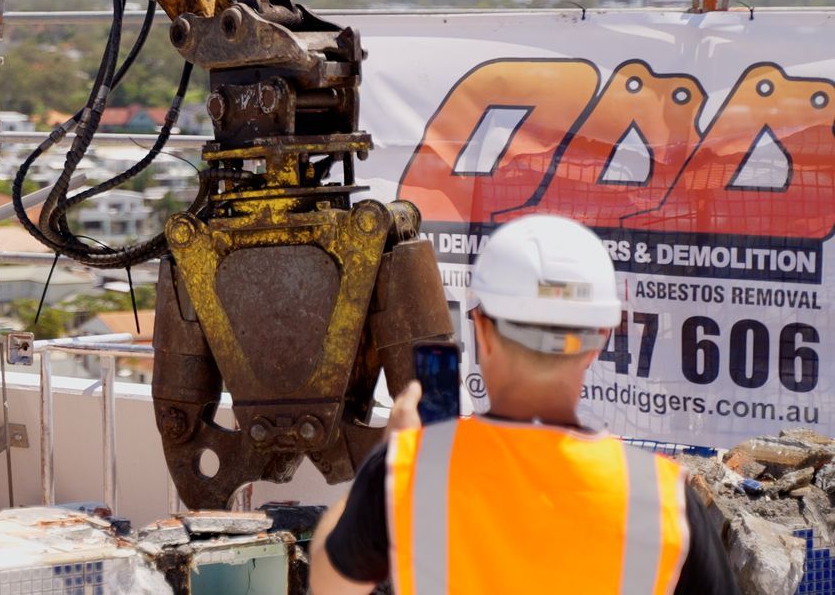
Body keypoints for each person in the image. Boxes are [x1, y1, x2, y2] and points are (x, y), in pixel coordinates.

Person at [309, 214, 733, 594]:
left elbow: (332, 582)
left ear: (484, 330)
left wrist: (392, 456)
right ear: (601, 339)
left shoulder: (413, 472)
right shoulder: (664, 499)